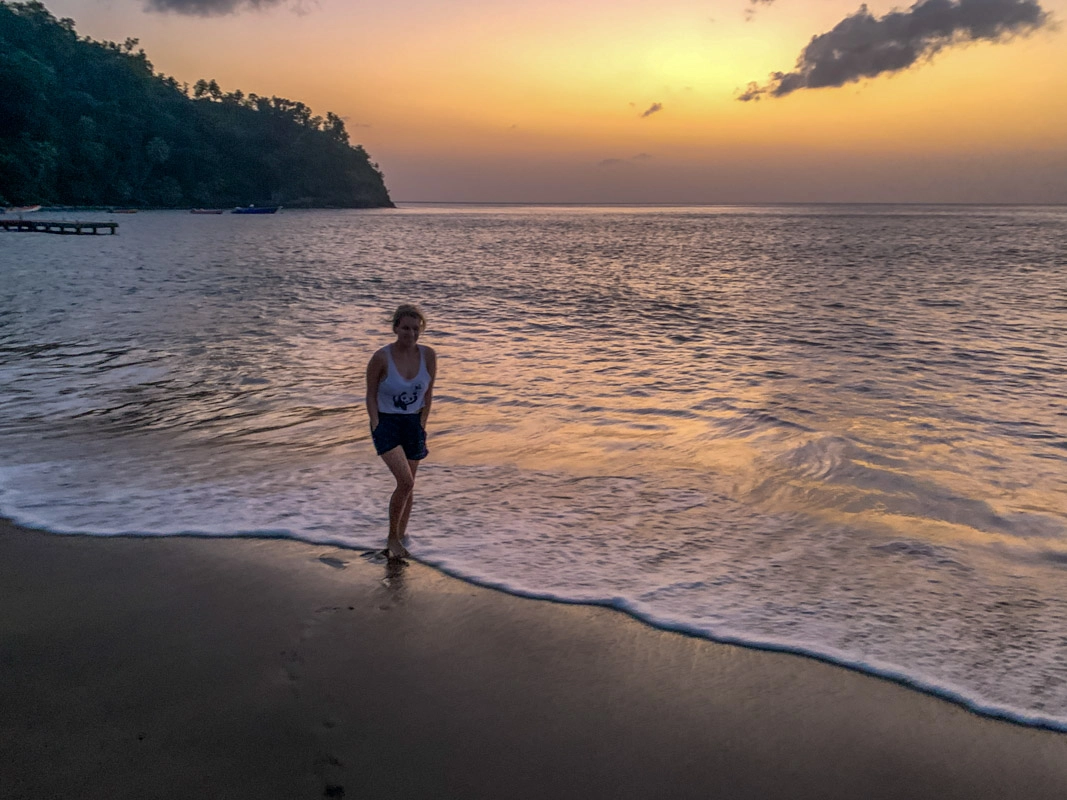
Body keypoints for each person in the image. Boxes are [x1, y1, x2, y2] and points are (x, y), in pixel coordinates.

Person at [366, 305, 437, 559]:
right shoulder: (381, 357)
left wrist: (423, 424)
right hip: (386, 423)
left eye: (416, 329)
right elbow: (371, 394)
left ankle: (402, 538)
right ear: (396, 327)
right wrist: (375, 423)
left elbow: (428, 393)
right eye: (405, 328)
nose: (410, 333)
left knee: (410, 486)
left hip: (413, 423)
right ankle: (392, 539)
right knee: (404, 481)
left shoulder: (428, 355)